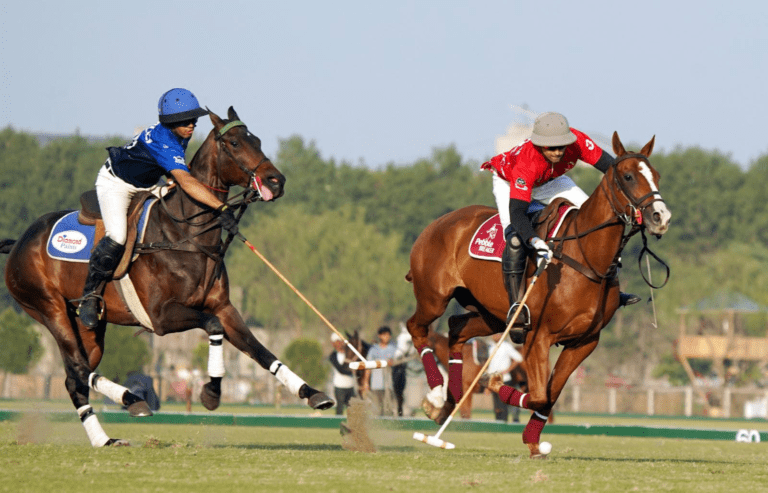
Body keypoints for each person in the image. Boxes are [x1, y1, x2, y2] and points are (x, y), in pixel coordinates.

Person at [77, 88, 240, 328]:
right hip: (117, 184)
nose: (192, 125)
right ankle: (89, 297)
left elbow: (172, 170)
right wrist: (221, 207)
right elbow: (186, 181)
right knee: (118, 236)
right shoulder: (164, 140)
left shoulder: (180, 133)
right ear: (172, 122)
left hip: (147, 185)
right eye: (186, 121)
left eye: (194, 119)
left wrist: (169, 178)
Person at [481, 112, 640, 343]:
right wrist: (535, 241)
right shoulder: (527, 162)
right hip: (509, 183)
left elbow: (613, 170)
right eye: (551, 148)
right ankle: (516, 307)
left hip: (551, 181)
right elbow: (518, 213)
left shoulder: (577, 141)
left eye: (561, 147)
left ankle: (612, 286)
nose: (557, 152)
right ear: (539, 145)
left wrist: (634, 202)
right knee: (516, 239)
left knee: (597, 220)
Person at [485, 333, 523, 422]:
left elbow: (519, 358)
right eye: (493, 334)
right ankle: (498, 424)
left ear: (502, 335)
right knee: (497, 406)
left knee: (503, 404)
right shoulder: (490, 347)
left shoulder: (506, 346)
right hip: (493, 379)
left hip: (504, 379)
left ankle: (504, 424)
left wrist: (507, 370)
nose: (495, 336)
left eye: (497, 334)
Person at [364, 326, 397, 416]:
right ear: (379, 336)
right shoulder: (374, 350)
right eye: (384, 335)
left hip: (389, 384)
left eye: (388, 335)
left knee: (389, 408)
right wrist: (366, 382)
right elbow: (368, 367)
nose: (386, 337)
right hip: (376, 383)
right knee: (377, 409)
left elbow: (397, 363)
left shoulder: (394, 349)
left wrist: (392, 363)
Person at [328, 333, 356, 415]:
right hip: (339, 386)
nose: (340, 343)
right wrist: (351, 371)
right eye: (337, 341)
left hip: (351, 385)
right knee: (340, 408)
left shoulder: (350, 353)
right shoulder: (333, 356)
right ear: (333, 343)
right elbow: (340, 369)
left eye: (341, 341)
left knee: (352, 409)